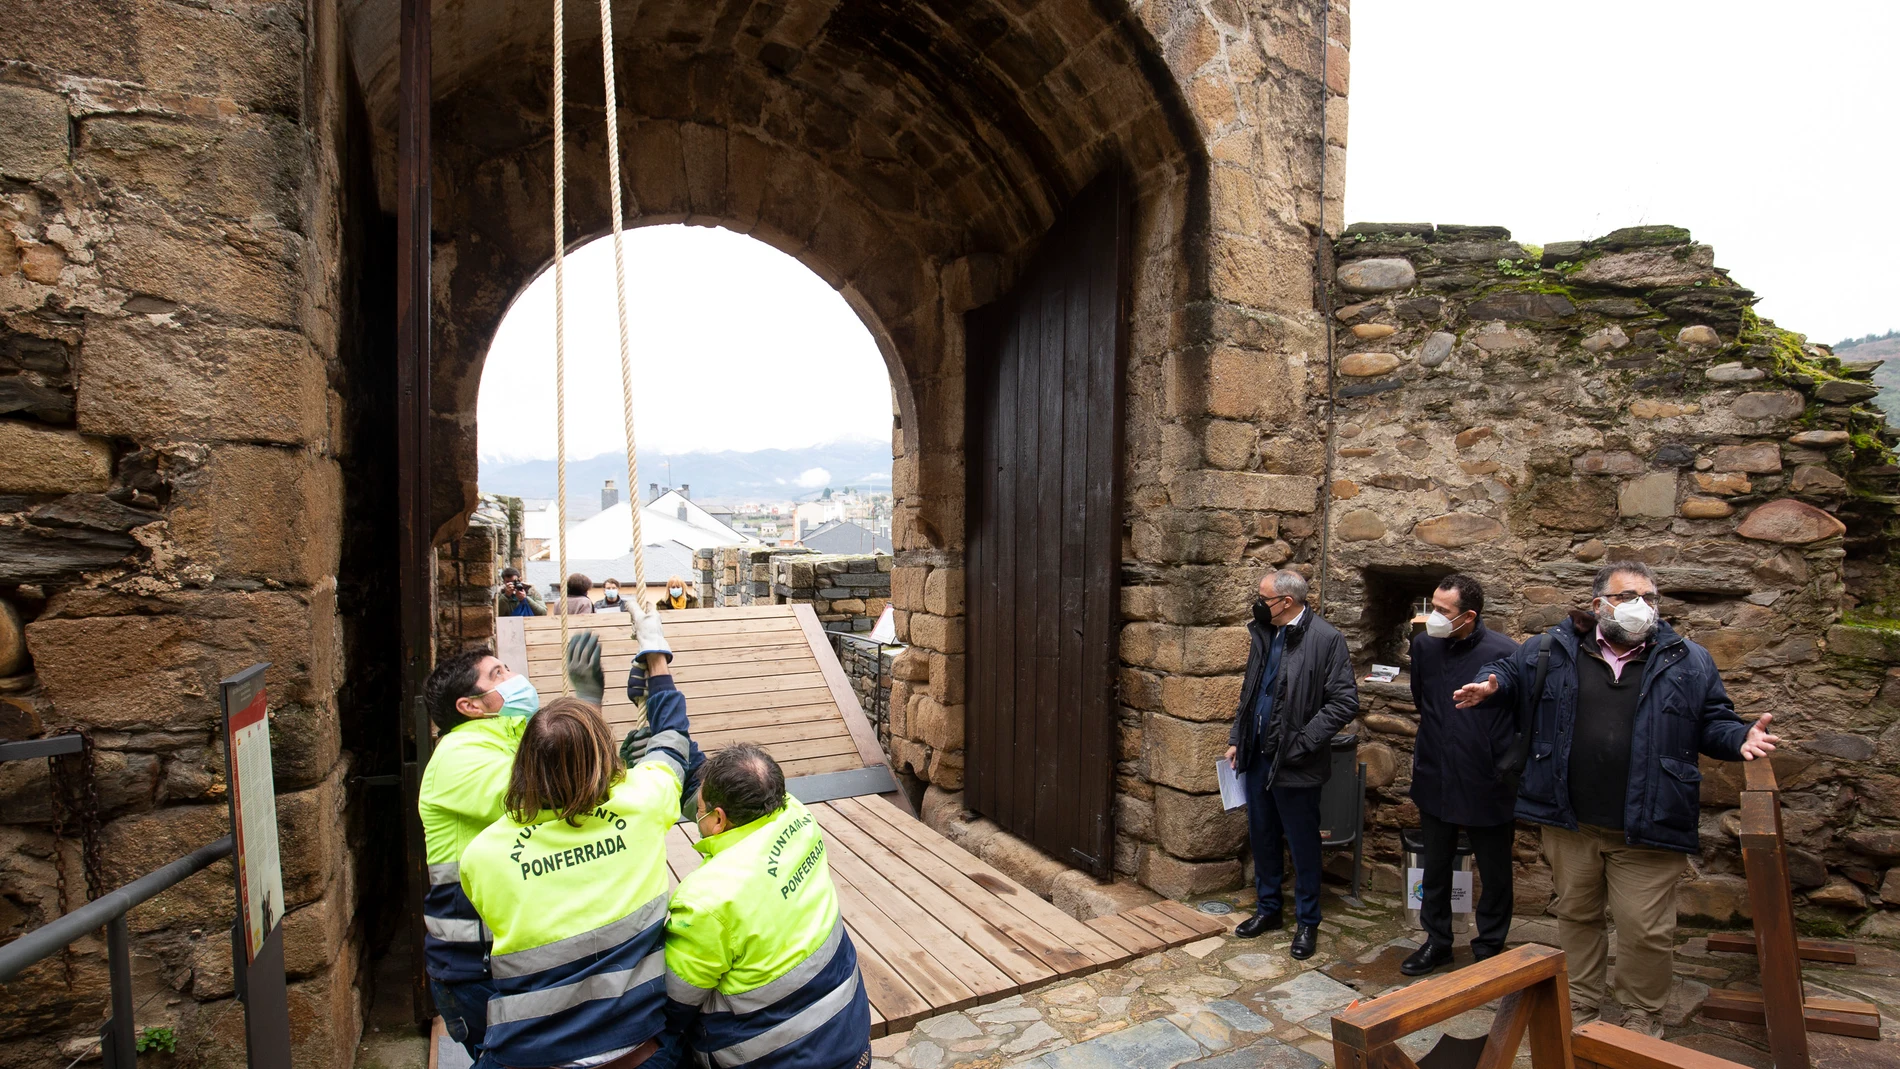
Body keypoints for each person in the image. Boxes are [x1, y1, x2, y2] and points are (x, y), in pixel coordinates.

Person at [1455, 561, 1778, 1036]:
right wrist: (1491, 684)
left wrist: (1739, 738)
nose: (1640, 607)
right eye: (1628, 597)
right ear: (1598, 604)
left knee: (1645, 930)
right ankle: (1580, 1005)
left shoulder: (1689, 659)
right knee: (1577, 916)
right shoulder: (1552, 648)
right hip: (1570, 820)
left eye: (1649, 598)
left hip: (1650, 821)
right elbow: (1506, 671)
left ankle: (1640, 1015)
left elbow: (1713, 721)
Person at [460, 604, 691, 1069]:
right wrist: (656, 659)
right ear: (607, 759)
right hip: (639, 1050)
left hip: (530, 1054)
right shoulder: (642, 801)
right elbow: (672, 738)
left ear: (522, 762)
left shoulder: (483, 855)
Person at [663, 743, 872, 1069]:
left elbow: (674, 1004)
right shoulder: (798, 815)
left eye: (700, 810)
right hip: (847, 1031)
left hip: (774, 1056)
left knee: (659, 1040)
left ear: (718, 819)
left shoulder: (707, 900)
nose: (696, 815)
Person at [417, 645, 544, 1060]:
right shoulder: (457, 756)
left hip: (507, 954)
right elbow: (540, 797)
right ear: (470, 706)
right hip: (475, 969)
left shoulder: (510, 744)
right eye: (497, 674)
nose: (512, 677)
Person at [1224, 569, 1359, 959]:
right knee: (1262, 835)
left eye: (1263, 598)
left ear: (1286, 602)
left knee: (1302, 846)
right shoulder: (1265, 632)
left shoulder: (1326, 639)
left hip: (1296, 763)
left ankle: (1307, 922)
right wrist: (1237, 737)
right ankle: (1269, 910)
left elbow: (1344, 702)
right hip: (1258, 756)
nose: (1257, 604)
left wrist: (1302, 743)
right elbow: (1250, 690)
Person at [1401, 574, 1521, 977]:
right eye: (1431, 605)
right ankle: (1436, 941)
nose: (1432, 616)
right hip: (1436, 770)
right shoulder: (1424, 647)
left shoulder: (1505, 652)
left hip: (1487, 778)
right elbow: (1424, 700)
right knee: (1435, 865)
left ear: (1468, 616)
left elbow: (1517, 713)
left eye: (1442, 611)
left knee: (1495, 868)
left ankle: (1489, 945)